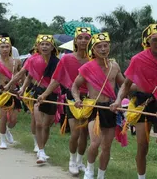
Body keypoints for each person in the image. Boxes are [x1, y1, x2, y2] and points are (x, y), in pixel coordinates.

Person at [37, 27, 91, 175]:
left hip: (90, 99)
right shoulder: (66, 58)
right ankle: (72, 161)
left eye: (86, 38)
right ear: (75, 40)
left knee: (85, 133)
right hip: (72, 97)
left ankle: (80, 162)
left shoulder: (94, 60)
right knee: (75, 132)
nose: (83, 41)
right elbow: (56, 79)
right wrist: (45, 94)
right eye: (80, 38)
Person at [71, 32, 125, 179]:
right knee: (95, 143)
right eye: (99, 46)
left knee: (107, 146)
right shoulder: (87, 67)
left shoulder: (115, 66)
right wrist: (76, 99)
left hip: (111, 108)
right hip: (94, 108)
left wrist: (120, 99)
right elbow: (74, 86)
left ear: (109, 47)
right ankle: (89, 170)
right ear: (93, 50)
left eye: (105, 46)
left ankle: (101, 175)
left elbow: (124, 85)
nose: (102, 49)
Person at [111, 24, 157, 179]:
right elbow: (126, 84)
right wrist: (118, 101)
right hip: (143, 103)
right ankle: (141, 177)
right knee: (142, 145)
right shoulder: (138, 59)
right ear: (148, 40)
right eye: (155, 39)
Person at [6, 35, 60, 164]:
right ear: (38, 46)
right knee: (39, 123)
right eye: (42, 44)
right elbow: (24, 74)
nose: (45, 46)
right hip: (38, 92)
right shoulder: (33, 60)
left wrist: (46, 94)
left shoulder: (57, 62)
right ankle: (41, 152)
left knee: (47, 125)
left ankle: (42, 148)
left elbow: (57, 80)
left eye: (48, 44)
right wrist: (12, 85)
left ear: (52, 47)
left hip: (52, 94)